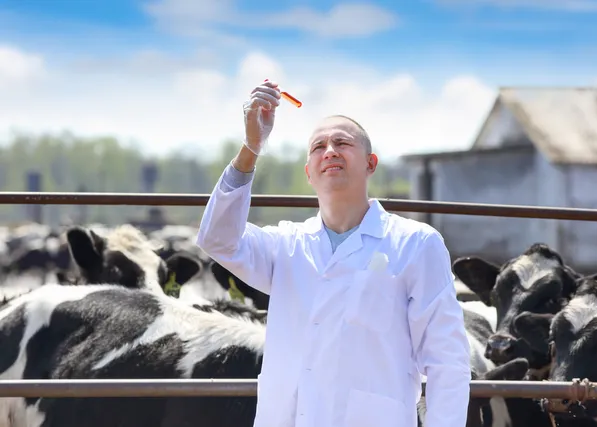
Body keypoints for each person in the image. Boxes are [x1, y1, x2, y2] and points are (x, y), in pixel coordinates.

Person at [196, 80, 472, 427]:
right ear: (309, 172)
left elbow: (447, 361)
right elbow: (218, 239)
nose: (330, 150)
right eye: (318, 147)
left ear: (370, 163)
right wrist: (252, 147)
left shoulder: (416, 244)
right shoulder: (287, 245)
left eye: (342, 142)